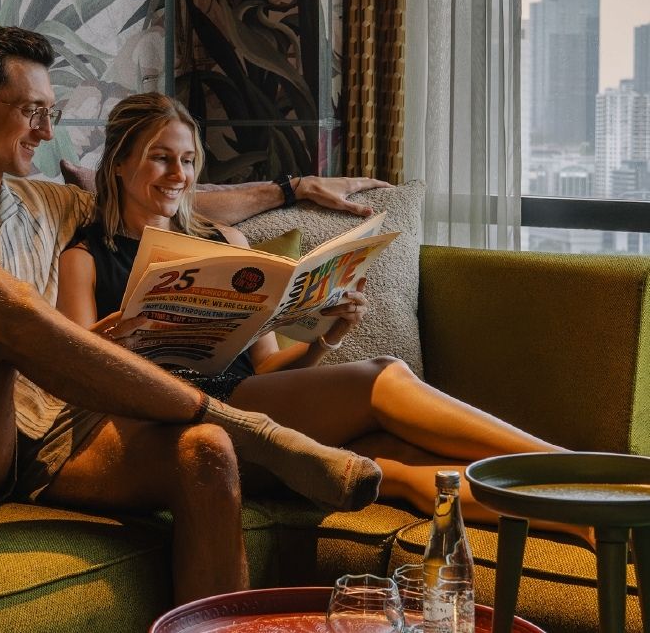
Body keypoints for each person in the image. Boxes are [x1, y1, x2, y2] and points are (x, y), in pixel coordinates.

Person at [0, 23, 391, 605]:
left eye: (50, 111)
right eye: (33, 111)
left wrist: (292, 188)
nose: (47, 130)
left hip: (50, 432)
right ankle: (262, 434)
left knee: (206, 452)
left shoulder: (45, 202)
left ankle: (232, 447)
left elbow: (156, 192)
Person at [56, 92, 571, 531]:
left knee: (401, 466)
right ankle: (571, 469)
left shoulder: (225, 243)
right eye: (160, 158)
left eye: (188, 160)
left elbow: (267, 369)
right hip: (182, 424)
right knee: (382, 375)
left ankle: (582, 516)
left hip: (248, 401)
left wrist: (327, 337)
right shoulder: (84, 259)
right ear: (120, 162)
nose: (178, 174)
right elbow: (76, 382)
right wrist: (114, 339)